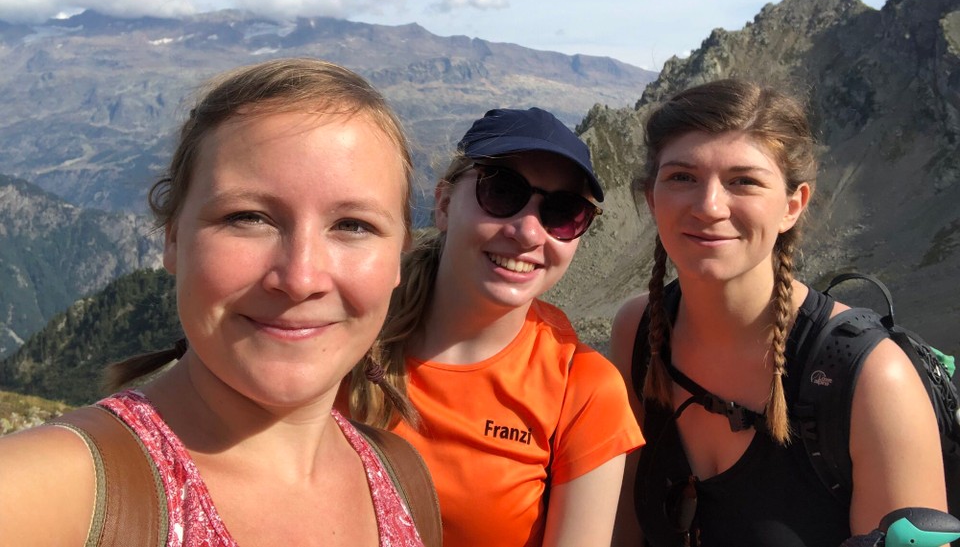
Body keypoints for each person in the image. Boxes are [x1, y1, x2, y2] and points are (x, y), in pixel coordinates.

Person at [0, 58, 430, 547]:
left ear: (399, 256)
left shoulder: (403, 478)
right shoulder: (57, 493)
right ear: (173, 239)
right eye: (248, 217)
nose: (300, 278)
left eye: (353, 225)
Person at [609, 79, 947, 547]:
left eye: (743, 181)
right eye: (682, 177)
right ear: (652, 198)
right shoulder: (639, 333)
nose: (708, 206)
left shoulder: (871, 378)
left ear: (793, 205)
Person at [347, 106, 645, 547]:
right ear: (444, 204)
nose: (528, 233)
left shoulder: (581, 391)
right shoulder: (345, 333)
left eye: (563, 213)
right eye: (502, 192)